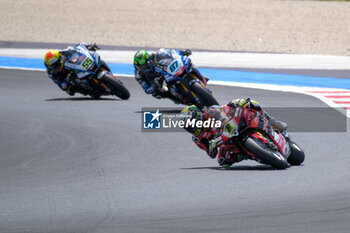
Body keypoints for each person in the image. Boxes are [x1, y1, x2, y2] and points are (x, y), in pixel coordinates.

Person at [180, 98, 288, 168]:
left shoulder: (209, 112)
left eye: (192, 124)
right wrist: (212, 146)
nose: (192, 128)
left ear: (198, 116)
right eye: (188, 127)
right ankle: (251, 154)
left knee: (251, 104)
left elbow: (224, 111)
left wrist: (236, 105)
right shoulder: (197, 139)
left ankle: (275, 123)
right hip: (224, 140)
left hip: (233, 123)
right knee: (223, 161)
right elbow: (211, 154)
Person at [133, 48, 207, 103]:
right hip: (159, 82)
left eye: (145, 65)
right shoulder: (138, 74)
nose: (143, 68)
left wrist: (181, 52)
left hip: (167, 71)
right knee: (158, 94)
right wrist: (155, 84)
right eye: (141, 67)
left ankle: (201, 77)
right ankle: (182, 100)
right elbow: (147, 90)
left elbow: (170, 53)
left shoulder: (155, 56)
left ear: (149, 60)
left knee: (189, 65)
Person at [44, 42, 109, 96]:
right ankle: (90, 89)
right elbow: (61, 84)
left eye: (57, 64)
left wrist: (88, 46)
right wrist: (66, 87)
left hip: (78, 67)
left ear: (60, 58)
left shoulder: (63, 53)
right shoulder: (51, 73)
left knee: (99, 61)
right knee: (73, 82)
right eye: (53, 66)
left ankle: (110, 73)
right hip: (70, 77)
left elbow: (79, 46)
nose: (56, 67)